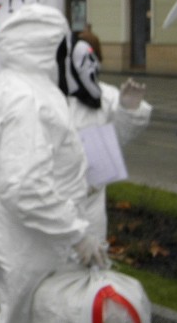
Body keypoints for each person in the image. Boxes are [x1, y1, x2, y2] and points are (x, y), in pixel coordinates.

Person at [0, 4, 106, 323]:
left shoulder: (14, 85)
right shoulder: (28, 96)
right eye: (63, 44)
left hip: (15, 231)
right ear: (46, 46)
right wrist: (76, 231)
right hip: (21, 238)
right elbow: (24, 185)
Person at [63, 35, 152, 240]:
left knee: (88, 260)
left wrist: (130, 110)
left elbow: (120, 136)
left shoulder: (104, 96)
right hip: (55, 198)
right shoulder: (50, 95)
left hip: (90, 201)